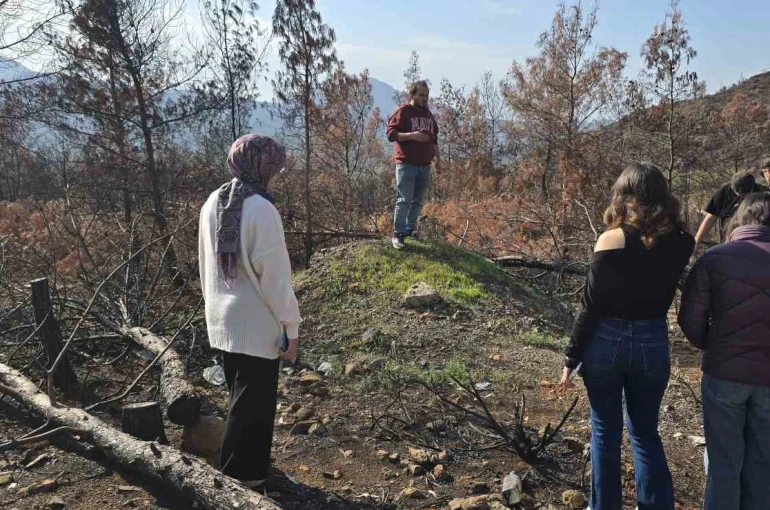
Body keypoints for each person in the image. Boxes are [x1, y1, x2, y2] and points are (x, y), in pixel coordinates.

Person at [560, 162, 694, 510]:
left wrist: (571, 357)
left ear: (624, 196)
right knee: (646, 432)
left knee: (605, 430)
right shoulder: (683, 242)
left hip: (606, 339)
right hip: (653, 339)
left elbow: (590, 305)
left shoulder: (612, 238)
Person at [198, 134, 301, 490]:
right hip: (256, 324)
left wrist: (212, 308)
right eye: (275, 165)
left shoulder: (213, 201)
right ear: (265, 166)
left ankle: (240, 477)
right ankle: (242, 484)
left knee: (239, 403)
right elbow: (275, 278)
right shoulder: (261, 208)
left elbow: (204, 264)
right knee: (253, 410)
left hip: (222, 318)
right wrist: (291, 324)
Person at [678, 191, 770, 510]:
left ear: (739, 219)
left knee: (723, 465)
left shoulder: (714, 258)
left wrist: (715, 345)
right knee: (763, 465)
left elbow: (690, 320)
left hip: (724, 374)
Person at [386, 80, 441, 250]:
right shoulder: (403, 112)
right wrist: (412, 136)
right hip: (406, 164)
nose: (425, 98)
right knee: (404, 199)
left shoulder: (428, 115)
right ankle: (398, 234)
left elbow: (435, 139)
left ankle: (410, 230)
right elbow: (391, 134)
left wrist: (438, 160)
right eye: (422, 95)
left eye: (427, 95)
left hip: (424, 165)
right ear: (412, 95)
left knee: (418, 201)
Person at [692, 170, 768, 254]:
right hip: (728, 242)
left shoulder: (763, 195)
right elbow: (711, 218)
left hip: (756, 245)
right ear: (732, 186)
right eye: (738, 193)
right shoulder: (724, 192)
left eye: (744, 194)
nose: (741, 196)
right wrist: (697, 240)